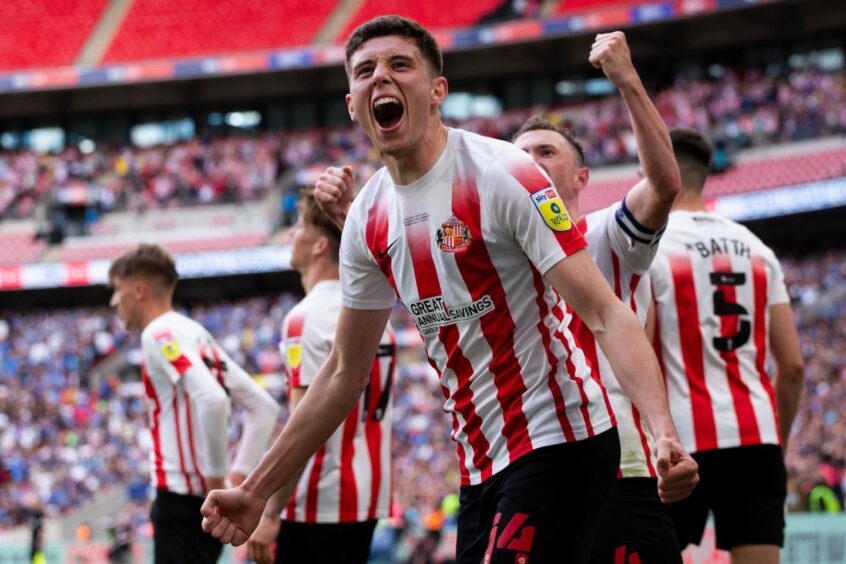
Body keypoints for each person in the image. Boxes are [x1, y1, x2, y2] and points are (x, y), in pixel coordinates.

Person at [201, 16, 698, 564]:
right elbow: (344, 373)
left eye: (399, 65)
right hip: (480, 463)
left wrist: (662, 432)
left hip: (562, 437)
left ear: (438, 90)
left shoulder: (502, 174)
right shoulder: (367, 217)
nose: (381, 78)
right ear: (352, 103)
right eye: (365, 71)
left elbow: (603, 311)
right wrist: (256, 489)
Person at [511, 31, 683, 564]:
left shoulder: (605, 235)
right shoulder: (501, 259)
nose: (532, 162)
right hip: (533, 469)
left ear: (582, 177)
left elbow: (663, 184)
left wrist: (628, 81)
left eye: (547, 151)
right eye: (521, 156)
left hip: (619, 466)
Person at [648, 128, 804, 563]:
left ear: (653, 169)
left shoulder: (653, 247)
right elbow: (791, 365)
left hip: (679, 443)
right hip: (756, 435)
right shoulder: (758, 249)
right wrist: (778, 442)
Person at [245, 190, 396, 564]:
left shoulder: (306, 317)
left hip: (317, 502)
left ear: (319, 246)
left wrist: (268, 510)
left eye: (298, 226)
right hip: (367, 495)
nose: (291, 234)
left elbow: (305, 422)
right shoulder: (374, 318)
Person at [108, 243, 280, 564]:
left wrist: (218, 483)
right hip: (199, 506)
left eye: (117, 290)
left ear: (138, 290)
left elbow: (212, 399)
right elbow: (263, 407)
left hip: (180, 501)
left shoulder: (157, 333)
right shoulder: (195, 332)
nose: (113, 301)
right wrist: (237, 476)